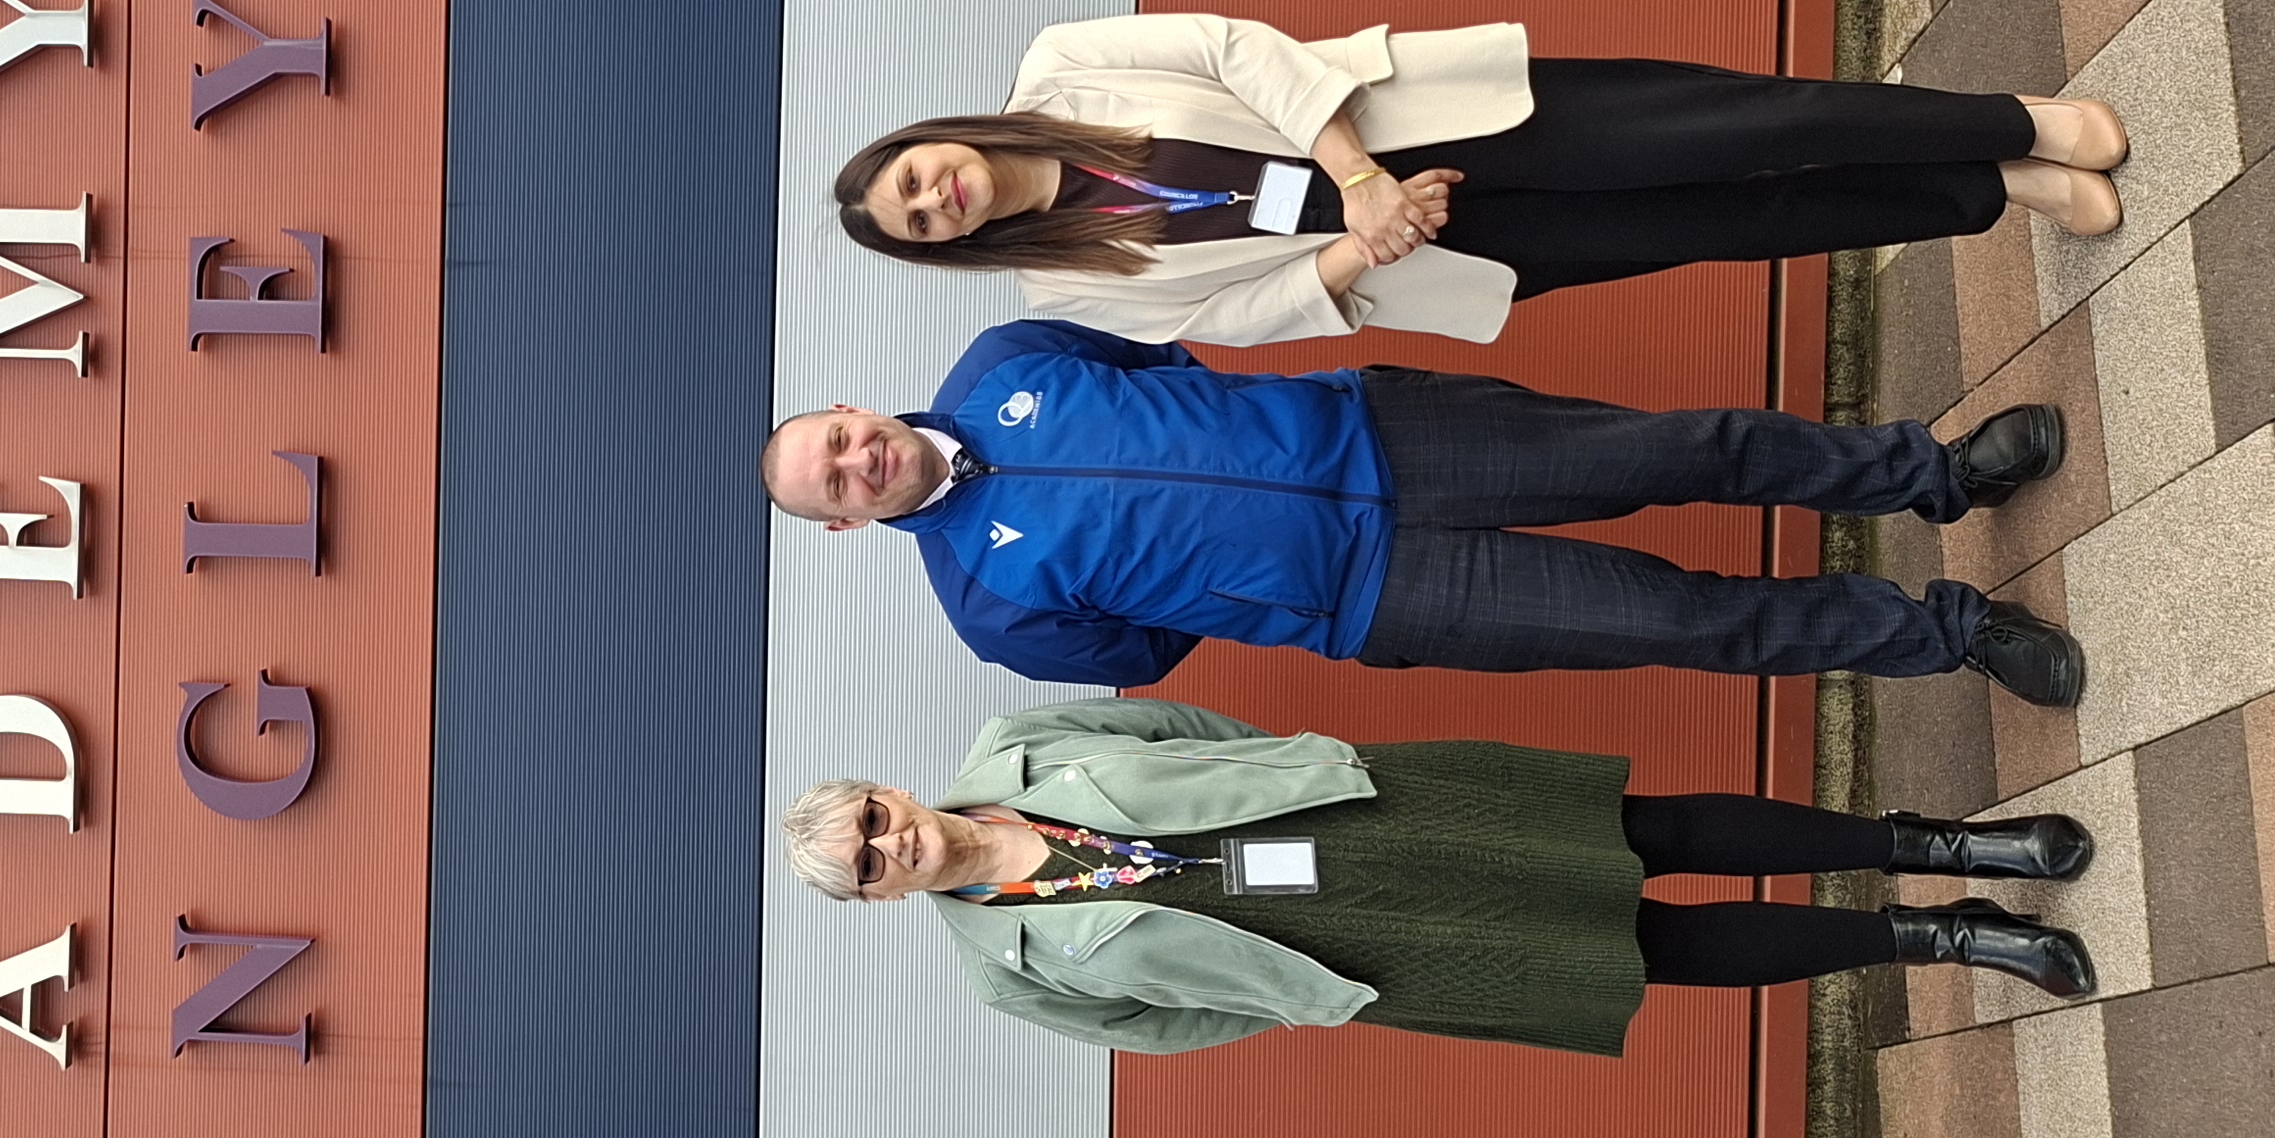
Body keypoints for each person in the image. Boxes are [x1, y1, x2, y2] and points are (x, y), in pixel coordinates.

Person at [757, 314, 2084, 697]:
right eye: (834, 481)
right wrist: (1265, 579)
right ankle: (1950, 635)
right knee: (1685, 621)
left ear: (847, 405)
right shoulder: (990, 610)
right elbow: (1145, 651)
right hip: (1380, 592)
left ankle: (1938, 475)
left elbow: (1163, 369)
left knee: (1688, 445)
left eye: (837, 436)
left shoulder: (1004, 362)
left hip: (1391, 432)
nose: (855, 459)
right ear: (842, 522)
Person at [781, 697, 2098, 1057]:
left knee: (1652, 833)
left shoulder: (1019, 742)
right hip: (1351, 954)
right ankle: (1943, 940)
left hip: (1355, 812)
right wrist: (1289, 995)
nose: (888, 844)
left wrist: (1301, 767)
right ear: (883, 899)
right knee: (1648, 952)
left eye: (872, 819)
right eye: (868, 866)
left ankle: (1936, 847)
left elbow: (1181, 736)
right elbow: (1162, 1030)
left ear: (889, 791)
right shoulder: (1005, 978)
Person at [832, 10, 2127, 349]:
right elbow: (1221, 318)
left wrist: (1354, 177)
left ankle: (2016, 118)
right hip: (1430, 247)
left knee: (1742, 124)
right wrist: (1365, 246)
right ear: (931, 243)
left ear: (926, 140)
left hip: (1440, 124)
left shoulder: (1061, 69)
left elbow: (1233, 48)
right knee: (1741, 220)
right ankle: (1997, 190)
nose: (934, 193)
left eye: (914, 173)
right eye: (915, 218)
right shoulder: (1061, 293)